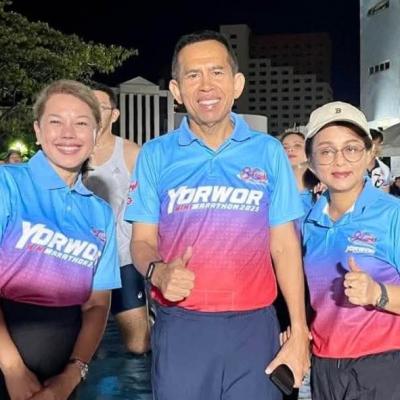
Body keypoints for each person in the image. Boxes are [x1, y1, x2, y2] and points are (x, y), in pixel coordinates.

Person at [125, 30, 310, 400]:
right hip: (182, 326)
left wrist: (299, 331)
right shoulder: (156, 155)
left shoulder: (268, 151)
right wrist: (159, 271)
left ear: (237, 83)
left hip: (255, 326)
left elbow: (284, 245)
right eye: (193, 75)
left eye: (217, 72)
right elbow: (141, 241)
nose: (206, 85)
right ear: (176, 90)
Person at [0, 80, 120, 400]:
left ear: (95, 134)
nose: (69, 133)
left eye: (81, 123)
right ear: (37, 131)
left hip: (63, 376)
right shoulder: (7, 185)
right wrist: (12, 369)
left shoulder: (100, 214)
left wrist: (71, 376)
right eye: (56, 121)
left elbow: (97, 304)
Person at [303, 101, 400, 399]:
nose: (340, 160)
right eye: (326, 151)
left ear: (369, 154)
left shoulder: (393, 215)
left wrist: (378, 293)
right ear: (311, 162)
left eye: (352, 148)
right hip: (324, 366)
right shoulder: (307, 221)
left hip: (382, 364)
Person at [85, 83, 149, 355]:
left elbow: (151, 205)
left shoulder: (132, 153)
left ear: (114, 114)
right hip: (80, 261)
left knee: (138, 345)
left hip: (122, 257)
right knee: (78, 345)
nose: (94, 113)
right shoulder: (70, 151)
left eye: (100, 107)